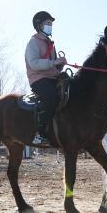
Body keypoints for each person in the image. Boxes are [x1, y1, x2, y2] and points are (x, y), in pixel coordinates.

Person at [25, 10, 66, 144]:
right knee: (51, 97)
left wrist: (59, 65)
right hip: (38, 79)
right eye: (48, 23)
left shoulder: (50, 43)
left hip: (52, 77)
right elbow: (34, 63)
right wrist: (54, 62)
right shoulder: (33, 42)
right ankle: (40, 133)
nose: (50, 26)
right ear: (39, 25)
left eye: (51, 24)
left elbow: (52, 66)